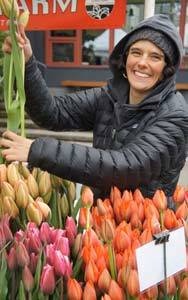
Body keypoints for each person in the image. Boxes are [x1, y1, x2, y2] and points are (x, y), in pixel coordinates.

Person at [1, 14, 188, 205]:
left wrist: (38, 150)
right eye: (136, 52)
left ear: (168, 68)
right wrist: (27, 63)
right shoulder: (108, 96)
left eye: (155, 57)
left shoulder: (175, 114)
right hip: (100, 217)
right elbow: (52, 113)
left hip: (147, 227)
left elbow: (126, 167)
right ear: (125, 58)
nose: (142, 62)